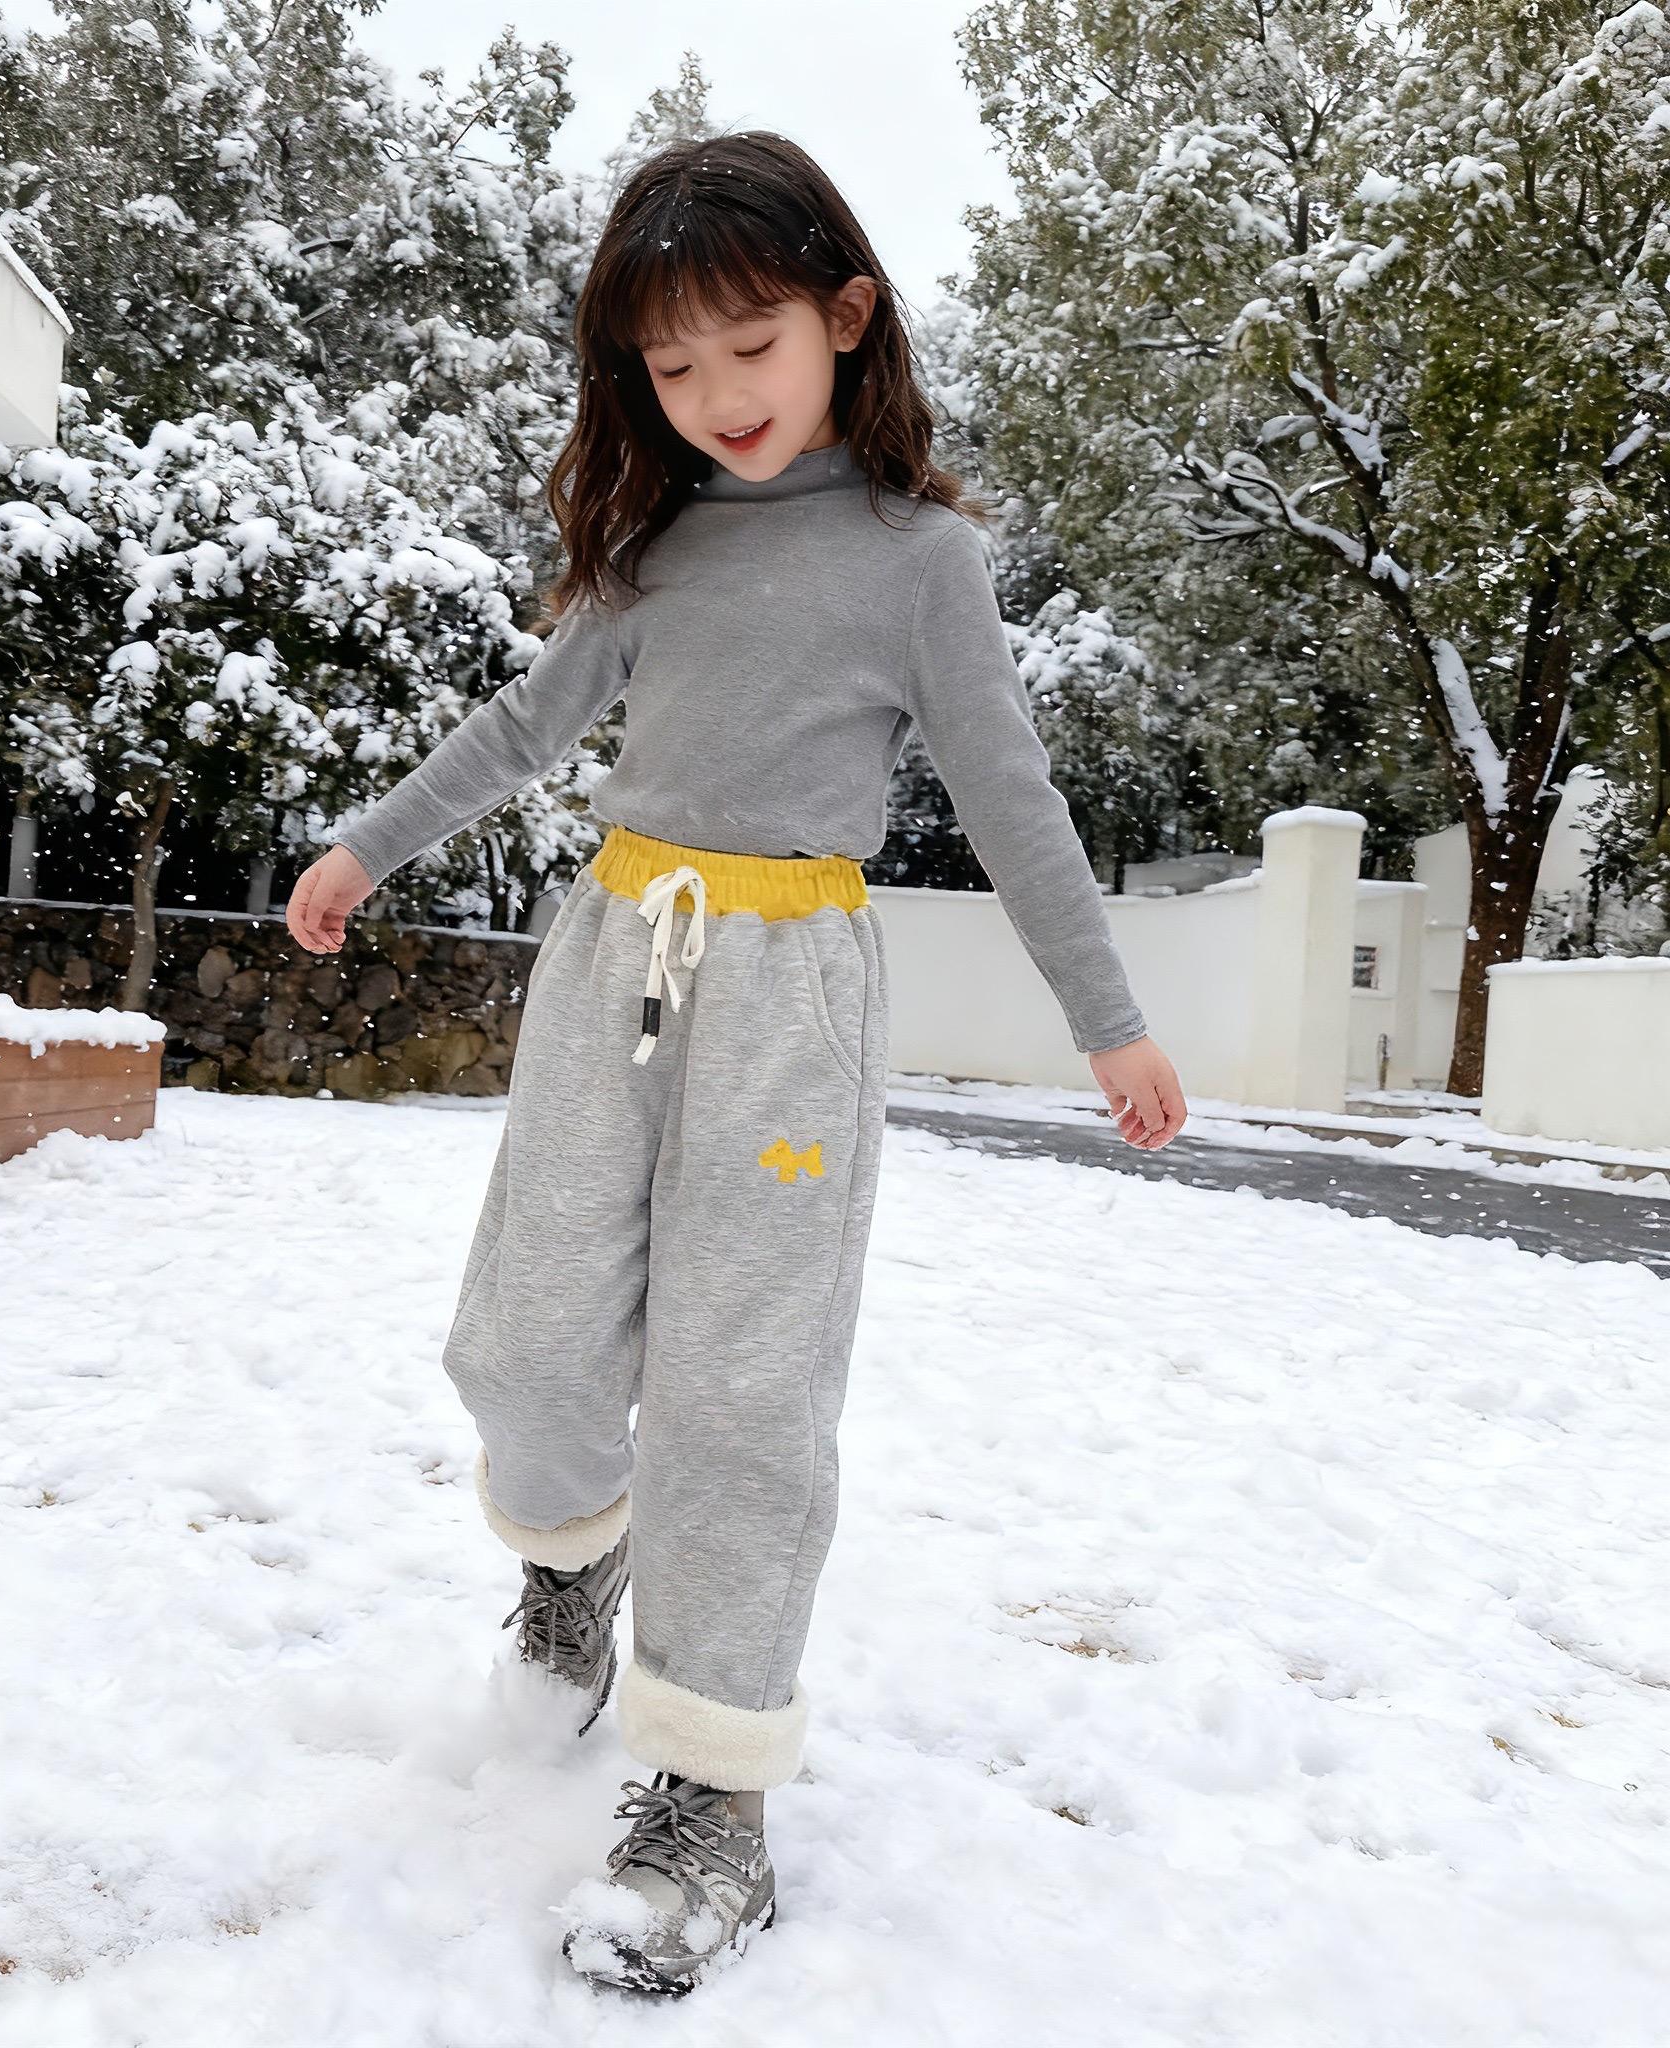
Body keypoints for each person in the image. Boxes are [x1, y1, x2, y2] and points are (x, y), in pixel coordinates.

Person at [286, 130, 1188, 1996]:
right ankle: (572, 1568)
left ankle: (708, 1794)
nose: (715, 402)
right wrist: (371, 842)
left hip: (792, 995)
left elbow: (1015, 807)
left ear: (847, 316)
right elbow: (529, 722)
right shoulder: (661, 544)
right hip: (614, 957)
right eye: (671, 371)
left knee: (740, 1394)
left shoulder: (919, 560)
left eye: (748, 350)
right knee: (525, 1339)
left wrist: (1107, 1019)